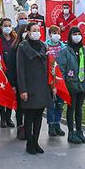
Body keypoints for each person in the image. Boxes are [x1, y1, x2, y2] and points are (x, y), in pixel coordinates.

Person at [16, 23, 54, 154]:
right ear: (28, 32)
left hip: (42, 87)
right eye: (34, 30)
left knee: (39, 116)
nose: (37, 32)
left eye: (38, 30)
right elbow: (20, 70)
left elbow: (49, 67)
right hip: (29, 87)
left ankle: (36, 142)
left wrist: (52, 85)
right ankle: (29, 143)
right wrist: (23, 90)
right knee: (29, 117)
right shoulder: (23, 47)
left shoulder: (44, 46)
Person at [57, 26, 85, 144]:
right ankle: (71, 132)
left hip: (82, 84)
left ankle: (79, 131)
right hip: (71, 85)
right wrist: (63, 84)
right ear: (70, 36)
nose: (77, 36)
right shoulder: (65, 51)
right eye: (74, 34)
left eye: (78, 34)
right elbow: (62, 68)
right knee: (71, 108)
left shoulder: (84, 50)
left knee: (79, 108)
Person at [0, 17, 17, 128]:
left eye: (9, 25)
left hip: (13, 70)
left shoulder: (14, 38)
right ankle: (2, 118)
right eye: (5, 25)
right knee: (2, 94)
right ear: (1, 27)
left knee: (11, 94)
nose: (7, 28)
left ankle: (8, 117)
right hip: (1, 70)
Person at [44, 25, 66, 137]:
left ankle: (57, 123)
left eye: (58, 32)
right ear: (50, 34)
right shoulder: (45, 45)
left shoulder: (64, 47)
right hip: (50, 79)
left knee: (60, 103)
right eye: (53, 32)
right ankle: (51, 125)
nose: (56, 35)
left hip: (61, 79)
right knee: (51, 104)